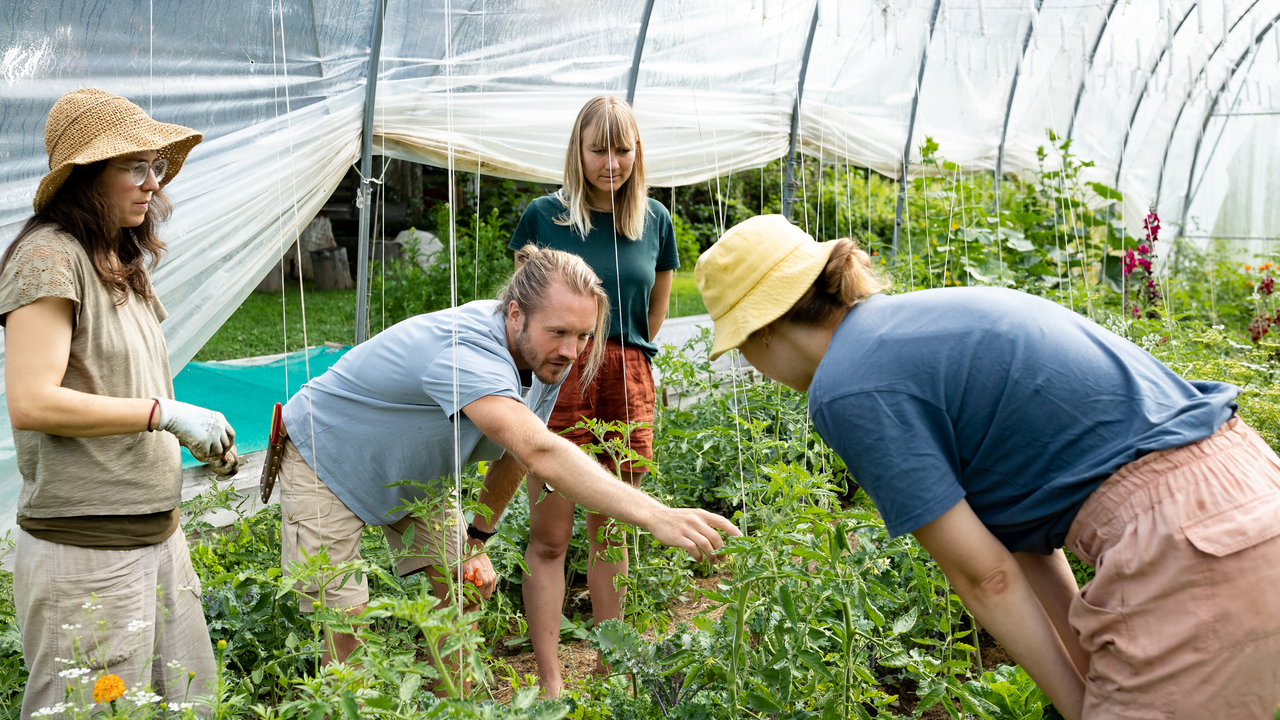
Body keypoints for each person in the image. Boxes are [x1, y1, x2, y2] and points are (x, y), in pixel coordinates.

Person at [694, 214, 1280, 720]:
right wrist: (1088, 688)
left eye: (740, 347)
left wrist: (1083, 708)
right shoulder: (918, 324)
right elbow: (1027, 551)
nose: (749, 365)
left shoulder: (846, 386)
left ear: (764, 331)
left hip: (1184, 545)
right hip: (1248, 494)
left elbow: (985, 578)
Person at [275, 244, 734, 675]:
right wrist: (653, 513)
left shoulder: (547, 356)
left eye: (583, 335)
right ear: (516, 313)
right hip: (326, 457)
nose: (572, 351)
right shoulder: (468, 351)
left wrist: (477, 537)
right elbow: (540, 450)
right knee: (347, 627)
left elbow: (518, 453)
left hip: (412, 472)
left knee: (464, 593)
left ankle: (453, 708)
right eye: (559, 332)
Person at [2, 89, 240, 715]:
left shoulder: (117, 256)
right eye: (132, 167)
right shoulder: (50, 256)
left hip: (157, 537)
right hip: (86, 550)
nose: (151, 184)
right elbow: (31, 402)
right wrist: (162, 414)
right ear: (85, 177)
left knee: (186, 705)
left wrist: (193, 428)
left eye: (155, 166)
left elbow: (123, 379)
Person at [507, 95, 678, 695]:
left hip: (627, 376)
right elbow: (523, 311)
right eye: (599, 148)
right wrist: (572, 356)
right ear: (578, 151)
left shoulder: (653, 219)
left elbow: (654, 313)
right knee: (550, 533)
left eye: (622, 148)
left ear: (637, 151)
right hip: (560, 376)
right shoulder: (543, 216)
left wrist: (617, 358)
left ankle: (612, 673)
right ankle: (551, 681)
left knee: (615, 527)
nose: (611, 162)